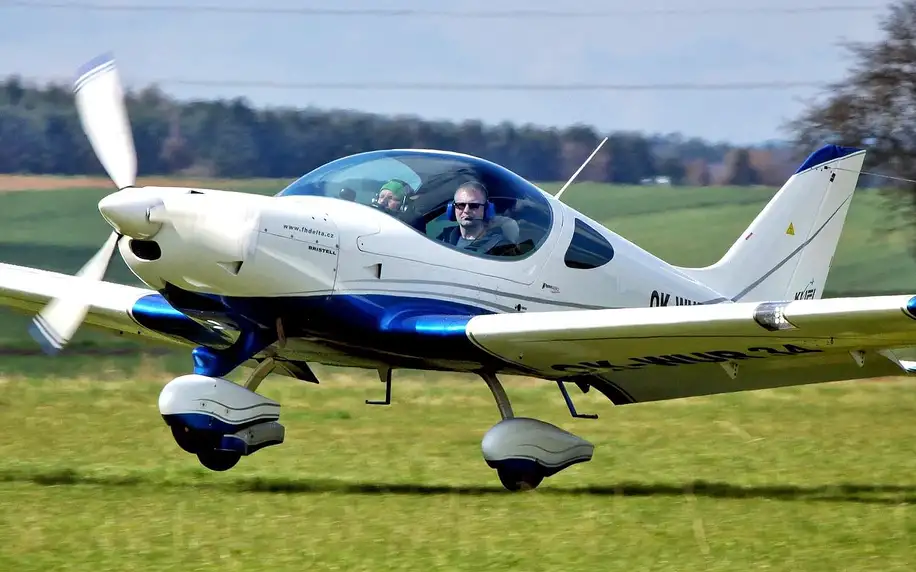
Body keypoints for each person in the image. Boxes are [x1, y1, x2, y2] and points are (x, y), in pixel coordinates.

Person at [438, 181, 517, 255]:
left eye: (474, 206)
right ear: (452, 209)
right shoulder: (444, 238)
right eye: (461, 205)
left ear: (486, 209)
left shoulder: (502, 247)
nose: (466, 210)